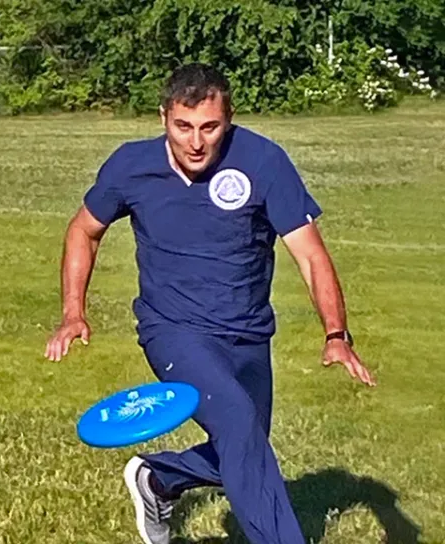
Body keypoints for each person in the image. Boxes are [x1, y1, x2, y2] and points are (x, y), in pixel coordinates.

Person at [44, 63, 375, 544]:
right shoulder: (131, 166)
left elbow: (309, 254)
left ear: (229, 120)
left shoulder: (264, 162)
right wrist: (73, 311)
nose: (195, 142)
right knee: (240, 429)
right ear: (163, 118)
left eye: (209, 127)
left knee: (243, 448)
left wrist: (336, 335)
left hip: (249, 333)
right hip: (174, 331)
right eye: (183, 127)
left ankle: (158, 479)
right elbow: (84, 231)